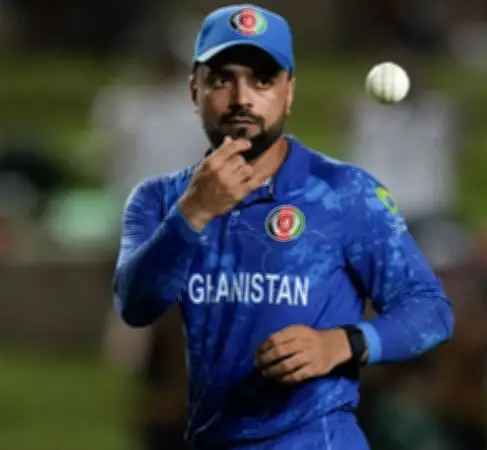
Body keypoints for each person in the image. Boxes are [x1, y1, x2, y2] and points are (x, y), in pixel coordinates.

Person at [112, 5, 455, 450]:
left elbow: (430, 310)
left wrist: (343, 343)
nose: (241, 98)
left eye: (262, 80)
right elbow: (135, 305)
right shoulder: (159, 199)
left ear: (289, 92)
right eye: (222, 80)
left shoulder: (345, 193)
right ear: (194, 91)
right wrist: (192, 213)